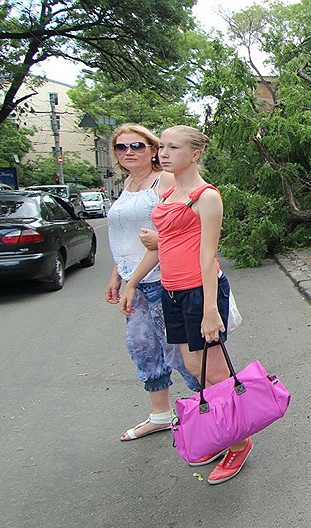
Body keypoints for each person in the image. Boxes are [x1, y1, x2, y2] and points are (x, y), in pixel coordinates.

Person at [120, 125, 252, 485]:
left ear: (194, 154)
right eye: (161, 146)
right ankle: (225, 435)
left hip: (200, 291)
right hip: (172, 291)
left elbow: (209, 256)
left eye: (172, 147)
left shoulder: (206, 196)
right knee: (194, 367)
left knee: (215, 372)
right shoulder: (166, 191)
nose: (163, 153)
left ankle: (238, 443)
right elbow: (161, 248)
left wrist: (211, 309)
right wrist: (131, 282)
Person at [105, 124, 201, 442]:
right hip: (134, 279)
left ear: (153, 149)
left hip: (163, 279)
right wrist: (117, 276)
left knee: (183, 353)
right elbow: (124, 238)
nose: (129, 152)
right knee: (143, 347)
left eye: (137, 146)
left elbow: (187, 225)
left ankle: (214, 411)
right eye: (122, 147)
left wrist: (159, 241)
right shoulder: (128, 184)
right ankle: (161, 415)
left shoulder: (165, 180)